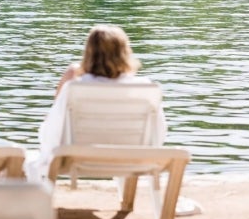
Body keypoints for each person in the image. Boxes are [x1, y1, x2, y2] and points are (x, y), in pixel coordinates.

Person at [26, 24, 166, 181]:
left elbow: (53, 131)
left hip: (77, 159)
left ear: (88, 54)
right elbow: (159, 132)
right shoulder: (145, 88)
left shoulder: (74, 88)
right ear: (125, 52)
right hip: (131, 160)